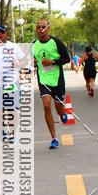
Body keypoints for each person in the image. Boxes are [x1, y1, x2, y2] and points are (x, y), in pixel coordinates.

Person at [32, 18, 70, 149]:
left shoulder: (56, 42)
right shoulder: (33, 44)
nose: (41, 29)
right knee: (46, 105)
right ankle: (54, 138)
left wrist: (52, 62)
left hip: (57, 80)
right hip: (44, 81)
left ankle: (62, 112)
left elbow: (67, 59)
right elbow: (28, 60)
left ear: (48, 28)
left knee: (59, 107)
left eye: (43, 26)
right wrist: (32, 63)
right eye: (38, 27)